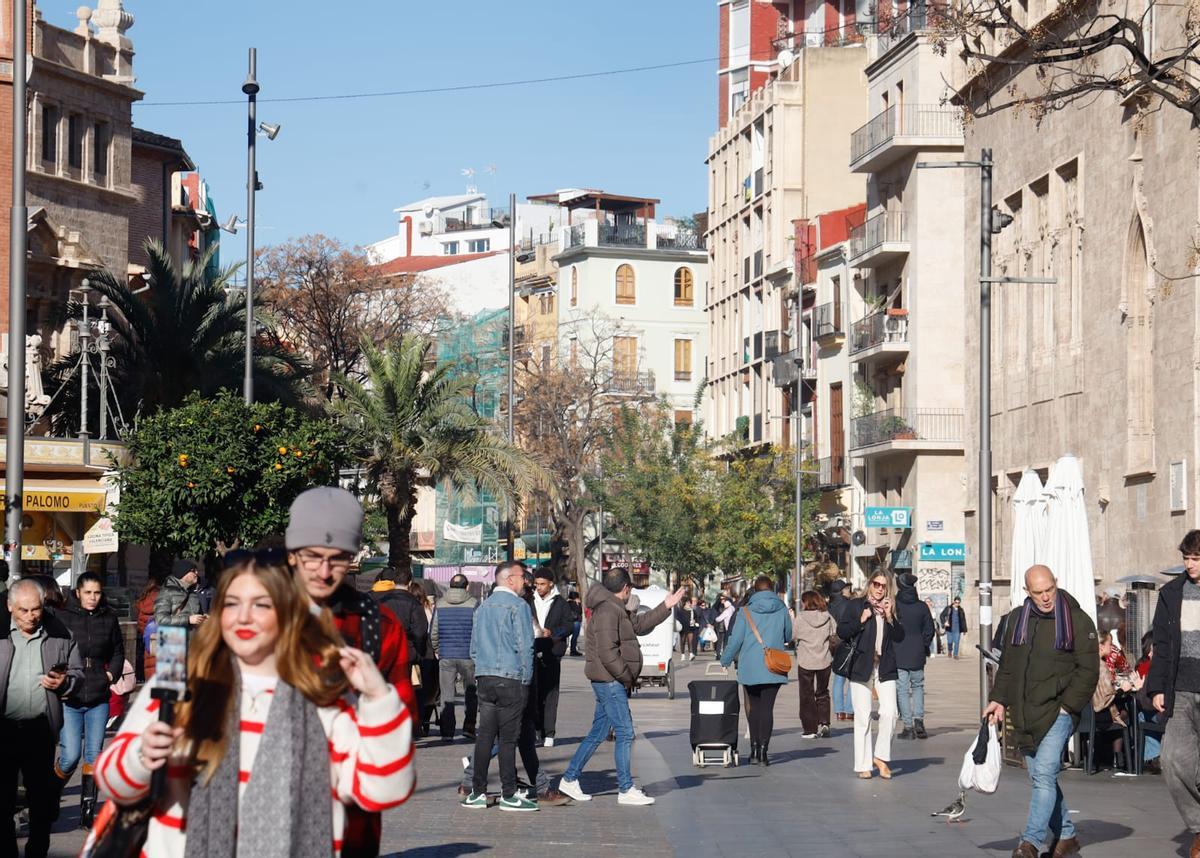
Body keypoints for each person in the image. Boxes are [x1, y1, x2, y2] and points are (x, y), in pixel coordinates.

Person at [94, 558, 415, 857]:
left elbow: (382, 791)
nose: (244, 616)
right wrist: (141, 756)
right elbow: (110, 780)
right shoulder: (181, 685)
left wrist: (378, 698)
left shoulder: (325, 699)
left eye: (261, 604)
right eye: (232, 603)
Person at [284, 487, 415, 858]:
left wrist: (376, 702)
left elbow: (403, 723)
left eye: (338, 559)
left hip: (349, 823)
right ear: (293, 554)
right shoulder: (252, 618)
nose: (324, 572)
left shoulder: (379, 624)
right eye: (312, 557)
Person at [984, 564, 1098, 858]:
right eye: (1039, 592)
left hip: (1058, 711)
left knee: (1045, 775)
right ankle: (1068, 836)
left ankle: (1030, 843)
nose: (1046, 597)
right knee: (1040, 778)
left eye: (1050, 589)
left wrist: (1068, 707)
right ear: (1027, 592)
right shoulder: (1016, 620)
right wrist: (998, 699)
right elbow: (1008, 666)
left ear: (1055, 584)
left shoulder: (1077, 620)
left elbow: (1088, 671)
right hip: (1025, 711)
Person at [558, 569, 684, 805]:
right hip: (609, 680)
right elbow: (607, 652)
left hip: (608, 680)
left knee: (598, 732)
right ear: (625, 588)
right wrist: (626, 676)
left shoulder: (614, 608)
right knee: (625, 732)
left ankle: (570, 778)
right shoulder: (608, 610)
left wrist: (666, 606)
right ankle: (626, 788)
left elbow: (639, 625)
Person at [0, 579, 83, 858]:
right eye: (23, 610)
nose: (30, 616)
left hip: (40, 729)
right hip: (4, 730)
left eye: (35, 609)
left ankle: (38, 852)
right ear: (10, 606)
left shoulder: (60, 634)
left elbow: (77, 674)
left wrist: (63, 682)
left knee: (41, 804)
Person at [462, 561, 537, 811]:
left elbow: (473, 648)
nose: (525, 581)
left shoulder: (481, 608)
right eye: (522, 577)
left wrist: (482, 669)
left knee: (484, 737)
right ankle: (508, 793)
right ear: (509, 579)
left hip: (484, 678)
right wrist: (525, 680)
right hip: (510, 678)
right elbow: (525, 646)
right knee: (507, 739)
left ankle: (477, 792)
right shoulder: (518, 607)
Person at [55, 572, 124, 829]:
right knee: (70, 756)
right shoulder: (63, 617)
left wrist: (110, 674)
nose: (93, 598)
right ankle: (49, 795)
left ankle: (87, 811)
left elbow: (118, 650)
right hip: (70, 694)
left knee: (94, 755)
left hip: (98, 695)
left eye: (97, 593)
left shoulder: (109, 618)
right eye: (88, 593)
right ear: (77, 593)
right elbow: (53, 648)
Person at [1147, 530, 1200, 857]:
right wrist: (1155, 688)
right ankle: (1198, 827)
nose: (1189, 564)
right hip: (1179, 688)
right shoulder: (1172, 593)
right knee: (1171, 759)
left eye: (1195, 559)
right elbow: (1162, 646)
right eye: (1186, 558)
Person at [837, 570, 905, 779]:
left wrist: (890, 616)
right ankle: (863, 764)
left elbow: (900, 636)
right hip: (861, 665)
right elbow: (842, 631)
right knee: (863, 716)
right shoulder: (857, 605)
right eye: (876, 584)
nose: (879, 589)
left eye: (883, 586)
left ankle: (881, 757)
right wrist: (861, 619)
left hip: (884, 666)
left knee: (890, 712)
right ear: (870, 584)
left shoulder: (890, 607)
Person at [720, 576, 792, 765]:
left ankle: (753, 750)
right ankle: (764, 752)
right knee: (767, 709)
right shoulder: (782, 609)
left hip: (750, 666)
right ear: (772, 590)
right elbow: (789, 635)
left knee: (754, 709)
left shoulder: (745, 611)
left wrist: (725, 659)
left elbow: (735, 640)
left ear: (755, 591)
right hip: (774, 666)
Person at [371, 566, 430, 731]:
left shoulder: (381, 601)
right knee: (408, 689)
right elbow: (420, 631)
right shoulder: (413, 603)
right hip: (407, 652)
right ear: (410, 583)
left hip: (383, 651)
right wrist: (418, 651)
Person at [433, 573, 478, 740]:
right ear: (466, 587)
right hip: (468, 655)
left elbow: (434, 632)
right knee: (471, 692)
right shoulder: (474, 604)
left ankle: (447, 731)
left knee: (446, 694)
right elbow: (478, 631)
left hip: (446, 655)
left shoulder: (440, 604)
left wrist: (438, 648)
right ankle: (469, 727)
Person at [531, 569, 571, 747]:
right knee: (534, 693)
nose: (539, 587)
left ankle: (549, 733)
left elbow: (569, 625)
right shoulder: (528, 600)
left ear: (550, 584)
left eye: (542, 584)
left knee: (551, 694)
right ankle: (536, 730)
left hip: (552, 652)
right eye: (536, 584)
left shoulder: (561, 603)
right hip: (531, 651)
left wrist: (552, 633)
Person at [894, 573, 934, 740]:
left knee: (902, 690)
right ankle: (919, 722)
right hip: (917, 652)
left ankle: (908, 726)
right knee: (918, 687)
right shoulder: (922, 606)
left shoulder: (895, 605)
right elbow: (929, 630)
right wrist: (922, 644)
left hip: (899, 651)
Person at [793, 590, 834, 739]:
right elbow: (834, 632)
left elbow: (793, 635)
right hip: (824, 659)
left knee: (806, 695)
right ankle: (824, 723)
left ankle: (810, 729)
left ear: (806, 602)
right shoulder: (827, 616)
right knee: (823, 692)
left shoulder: (801, 618)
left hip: (806, 660)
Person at [827, 580, 854, 722]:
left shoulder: (829, 605)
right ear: (841, 591)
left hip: (833, 644)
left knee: (838, 677)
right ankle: (849, 710)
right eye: (846, 588)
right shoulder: (848, 604)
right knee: (851, 677)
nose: (849, 590)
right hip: (847, 642)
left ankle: (839, 711)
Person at [154, 558, 207, 629]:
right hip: (173, 638)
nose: (196, 573)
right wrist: (188, 619)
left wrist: (203, 618)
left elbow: (194, 616)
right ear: (184, 574)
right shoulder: (167, 592)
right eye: (193, 571)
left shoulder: (192, 592)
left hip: (192, 638)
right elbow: (160, 619)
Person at [134, 577, 160, 680]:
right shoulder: (162, 600)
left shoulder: (144, 600)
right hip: (159, 637)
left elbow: (141, 624)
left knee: (151, 665)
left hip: (150, 638)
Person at [675, 598, 700, 662]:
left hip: (690, 627)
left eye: (689, 602)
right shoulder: (680, 610)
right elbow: (678, 618)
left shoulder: (692, 611)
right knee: (682, 641)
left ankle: (691, 654)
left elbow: (696, 618)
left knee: (690, 641)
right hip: (683, 628)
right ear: (684, 603)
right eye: (688, 602)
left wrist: (696, 622)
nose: (689, 604)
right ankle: (683, 654)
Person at [566, 591, 583, 657]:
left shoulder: (567, 603)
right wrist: (578, 604)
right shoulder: (575, 603)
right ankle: (573, 650)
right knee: (574, 637)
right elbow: (579, 612)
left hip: (569, 621)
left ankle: (571, 649)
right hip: (576, 622)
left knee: (569, 636)